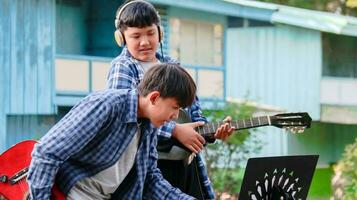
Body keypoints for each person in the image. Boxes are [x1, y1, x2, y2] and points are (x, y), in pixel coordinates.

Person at [108, 0, 234, 199]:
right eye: (136, 36)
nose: (145, 41)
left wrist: (212, 132)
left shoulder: (173, 66)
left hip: (185, 166)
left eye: (150, 33)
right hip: (148, 168)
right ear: (121, 38)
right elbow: (125, 116)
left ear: (160, 33)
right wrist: (174, 130)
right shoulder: (123, 66)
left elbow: (193, 113)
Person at [27, 64, 198, 199]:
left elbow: (149, 179)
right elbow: (46, 153)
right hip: (68, 193)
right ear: (154, 98)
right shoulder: (106, 105)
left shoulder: (150, 126)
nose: (175, 116)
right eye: (175, 108)